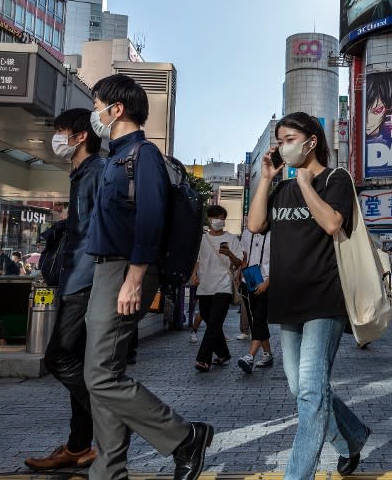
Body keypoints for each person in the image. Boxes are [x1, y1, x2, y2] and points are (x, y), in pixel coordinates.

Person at [83, 74, 213, 480]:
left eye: (97, 104)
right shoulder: (115, 159)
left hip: (126, 270)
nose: (95, 113)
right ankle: (108, 472)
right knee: (107, 374)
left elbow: (151, 220)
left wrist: (135, 278)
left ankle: (185, 436)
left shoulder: (144, 156)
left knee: (99, 375)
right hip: (108, 269)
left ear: (115, 109)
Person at [247, 112, 371, 479]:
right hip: (288, 300)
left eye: (288, 139)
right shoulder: (281, 187)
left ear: (310, 141)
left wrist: (304, 183)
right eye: (280, 140)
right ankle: (353, 435)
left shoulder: (336, 179)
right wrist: (267, 180)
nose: (283, 146)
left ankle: (297, 475)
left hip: (324, 297)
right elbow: (255, 225)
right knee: (300, 387)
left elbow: (333, 223)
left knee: (311, 394)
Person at [24, 108, 105, 471]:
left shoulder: (96, 172)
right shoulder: (81, 173)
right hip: (77, 278)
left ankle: (111, 421)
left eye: (61, 131)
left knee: (58, 357)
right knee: (79, 362)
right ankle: (78, 445)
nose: (56, 138)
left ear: (81, 135)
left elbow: (95, 233)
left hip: (84, 282)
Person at [190, 205, 243, 372]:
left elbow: (239, 262)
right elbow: (197, 260)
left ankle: (203, 359)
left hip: (223, 286)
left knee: (214, 323)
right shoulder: (202, 239)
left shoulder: (232, 239)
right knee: (209, 320)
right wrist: (193, 275)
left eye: (222, 217)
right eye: (216, 217)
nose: (219, 220)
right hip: (204, 286)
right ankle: (223, 353)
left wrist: (229, 254)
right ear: (209, 219)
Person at [237, 230, 273, 373]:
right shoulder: (247, 233)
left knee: (259, 318)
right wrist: (239, 272)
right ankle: (267, 354)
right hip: (248, 280)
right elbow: (243, 256)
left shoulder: (274, 233)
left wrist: (268, 282)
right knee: (256, 320)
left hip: (266, 282)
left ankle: (250, 356)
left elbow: (279, 261)